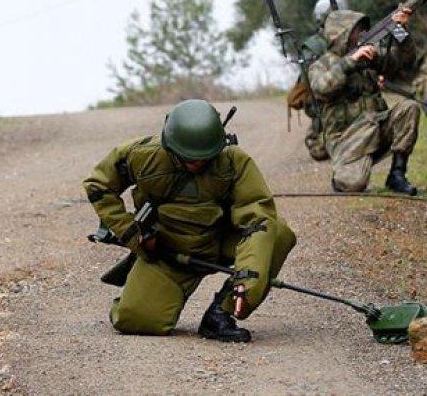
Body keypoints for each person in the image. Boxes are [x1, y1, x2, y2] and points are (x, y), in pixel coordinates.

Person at [83, 99, 295, 342]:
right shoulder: (142, 156)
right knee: (134, 320)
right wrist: (134, 234)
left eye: (205, 158)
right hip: (167, 251)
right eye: (188, 158)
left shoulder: (234, 162)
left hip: (220, 243)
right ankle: (142, 292)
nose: (197, 164)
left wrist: (249, 279)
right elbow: (98, 185)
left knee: (277, 232)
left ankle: (220, 313)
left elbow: (258, 219)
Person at [308, 8, 421, 195]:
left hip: (376, 127)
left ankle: (397, 175)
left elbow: (404, 60)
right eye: (355, 30)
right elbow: (322, 88)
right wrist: (350, 62)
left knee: (409, 107)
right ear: (341, 34)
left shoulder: (370, 58)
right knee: (352, 185)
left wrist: (400, 30)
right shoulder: (321, 65)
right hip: (347, 138)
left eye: (362, 29)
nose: (361, 35)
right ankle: (345, 173)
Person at [296, 0, 350, 161]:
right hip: (327, 99)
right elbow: (311, 85)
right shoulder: (314, 46)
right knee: (320, 150)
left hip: (352, 96)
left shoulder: (353, 39)